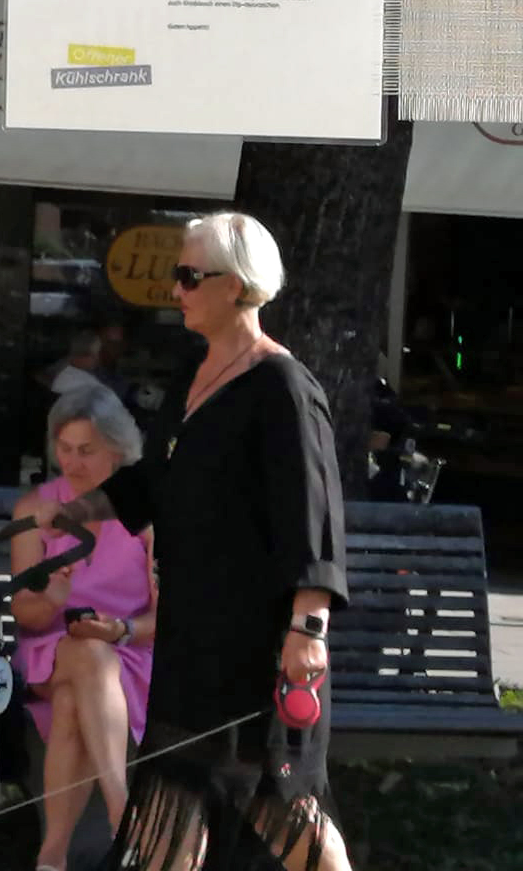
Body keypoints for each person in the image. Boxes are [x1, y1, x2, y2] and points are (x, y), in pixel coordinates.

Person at [29, 212, 349, 871]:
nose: (176, 290)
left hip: (259, 647)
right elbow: (155, 479)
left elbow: (312, 518)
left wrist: (308, 629)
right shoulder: (194, 376)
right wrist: (80, 509)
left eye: (188, 276)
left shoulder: (283, 388)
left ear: (236, 285)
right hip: (191, 641)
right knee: (171, 803)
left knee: (285, 811)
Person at [12, 386, 157, 871]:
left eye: (86, 451)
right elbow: (25, 614)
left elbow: (166, 619)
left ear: (117, 449)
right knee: (84, 656)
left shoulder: (146, 513)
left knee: (75, 694)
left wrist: (118, 630)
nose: (72, 463)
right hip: (47, 652)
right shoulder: (36, 509)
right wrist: (51, 599)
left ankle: (52, 856)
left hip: (131, 652)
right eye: (65, 448)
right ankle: (123, 813)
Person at [50, 329, 131, 406]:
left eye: (117, 344)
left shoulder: (118, 374)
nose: (112, 348)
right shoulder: (75, 367)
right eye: (108, 342)